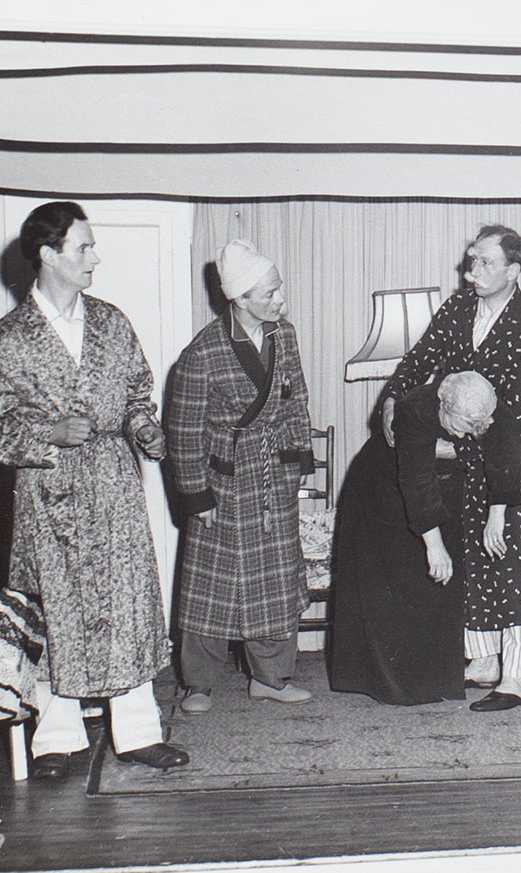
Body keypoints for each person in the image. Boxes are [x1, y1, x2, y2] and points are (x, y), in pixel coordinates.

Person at [0, 201, 188, 777]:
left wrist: (144, 426)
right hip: (48, 494)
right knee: (56, 612)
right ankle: (56, 741)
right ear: (47, 256)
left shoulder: (111, 321)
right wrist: (47, 433)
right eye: (82, 247)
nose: (94, 257)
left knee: (128, 606)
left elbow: (137, 391)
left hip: (114, 488)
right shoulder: (8, 340)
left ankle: (137, 733)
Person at [379, 225, 521, 713]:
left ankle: (516, 677)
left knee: (511, 558)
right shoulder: (456, 309)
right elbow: (420, 358)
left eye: (484, 263)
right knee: (472, 554)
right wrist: (393, 397)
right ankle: (483, 662)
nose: (472, 271)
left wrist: (501, 504)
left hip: (505, 458)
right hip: (457, 458)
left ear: (514, 271)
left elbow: (509, 417)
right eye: (471, 260)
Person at [166, 239, 315, 714]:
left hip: (274, 474)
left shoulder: (283, 335)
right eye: (269, 294)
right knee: (211, 584)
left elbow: (297, 402)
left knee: (275, 579)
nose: (280, 299)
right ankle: (198, 684)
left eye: (279, 289)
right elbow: (183, 433)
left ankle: (270, 678)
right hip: (223, 483)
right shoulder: (201, 355)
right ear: (240, 299)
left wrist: (296, 467)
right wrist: (197, 497)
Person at [330, 372, 521, 706]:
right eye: (466, 424)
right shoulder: (414, 409)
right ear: (442, 404)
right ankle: (390, 683)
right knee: (393, 583)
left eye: (480, 423)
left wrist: (497, 516)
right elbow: (417, 482)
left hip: (440, 491)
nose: (473, 432)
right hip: (382, 489)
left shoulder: (489, 409)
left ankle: (436, 680)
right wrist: (434, 546)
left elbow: (505, 459)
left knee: (437, 586)